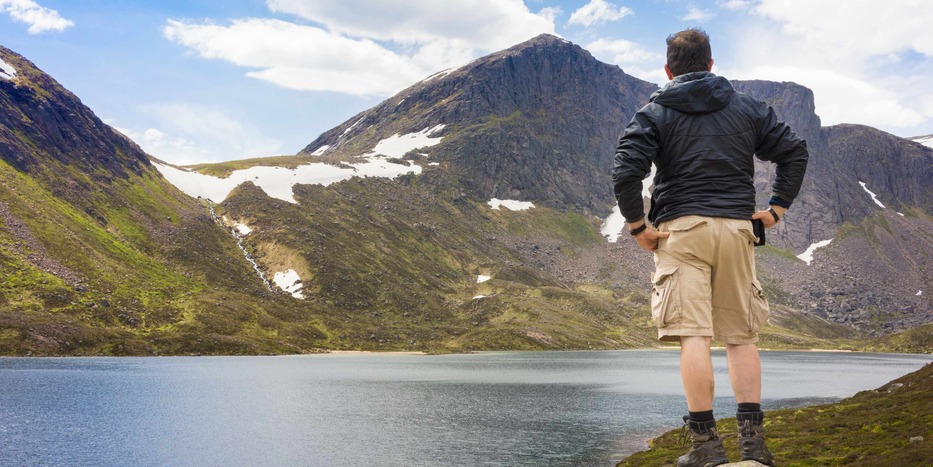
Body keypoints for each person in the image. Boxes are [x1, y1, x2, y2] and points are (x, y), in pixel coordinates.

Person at [612, 28, 808, 467]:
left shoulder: (656, 111)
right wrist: (775, 210)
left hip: (682, 230)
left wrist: (638, 227)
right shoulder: (746, 108)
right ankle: (754, 448)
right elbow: (793, 150)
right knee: (741, 336)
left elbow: (626, 171)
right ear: (711, 64)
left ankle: (705, 449)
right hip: (738, 229)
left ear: (668, 69)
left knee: (693, 335)